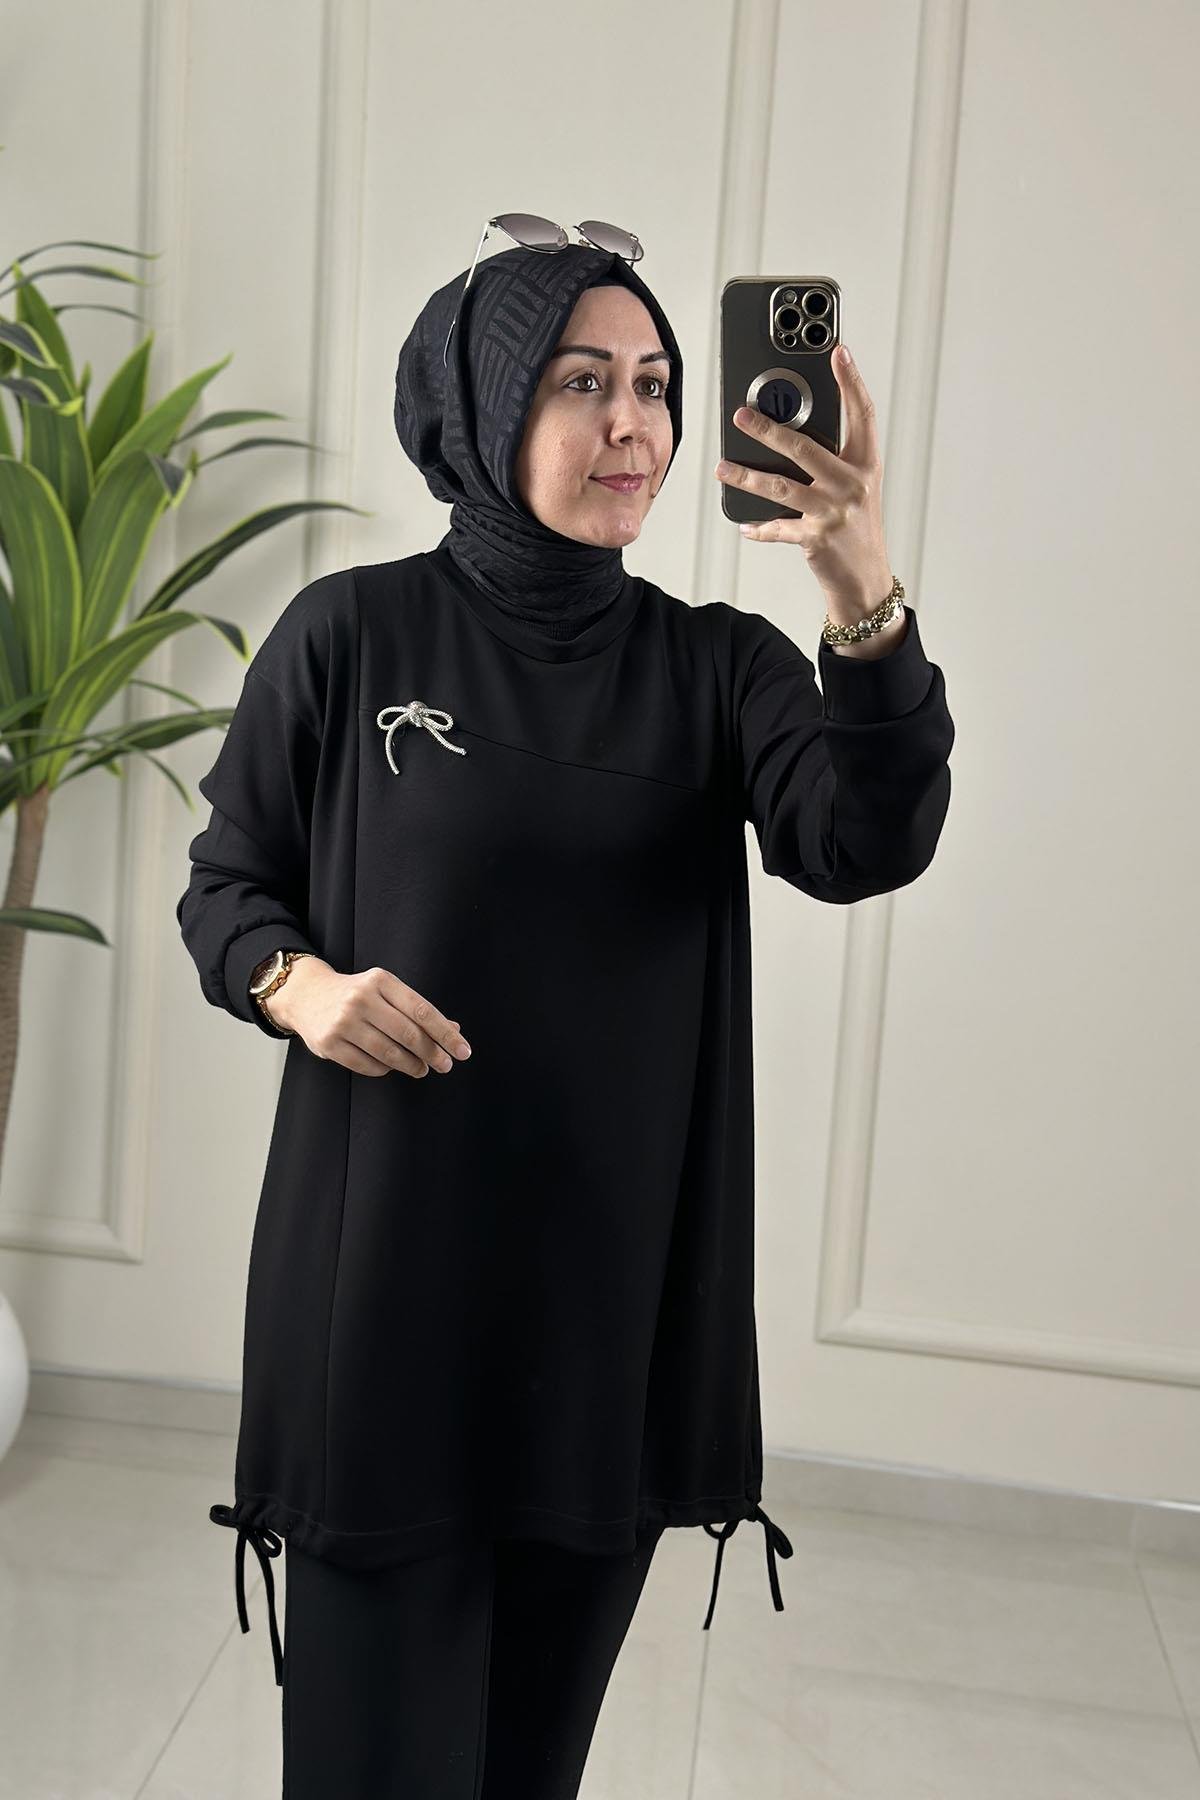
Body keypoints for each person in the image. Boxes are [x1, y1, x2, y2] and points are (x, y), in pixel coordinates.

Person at [176, 239, 955, 1795]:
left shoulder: (718, 669)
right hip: (383, 1307)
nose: (633, 425)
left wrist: (858, 582)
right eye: (582, 382)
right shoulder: (349, 635)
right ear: (481, 406)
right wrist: (301, 987)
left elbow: (865, 842)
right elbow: (227, 887)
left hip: (605, 1327)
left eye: (657, 387)